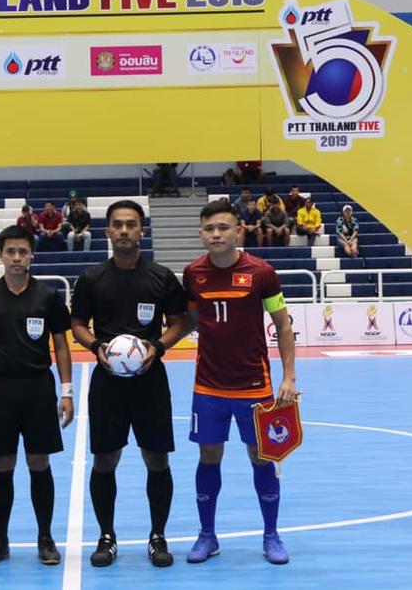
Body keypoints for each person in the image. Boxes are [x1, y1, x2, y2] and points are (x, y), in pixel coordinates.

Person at [70, 199, 189, 568]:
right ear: (107, 231)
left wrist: (157, 346)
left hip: (150, 380)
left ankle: (158, 536)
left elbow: (180, 322)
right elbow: (77, 324)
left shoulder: (161, 277)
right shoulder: (92, 278)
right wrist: (95, 347)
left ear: (142, 230)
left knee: (157, 458)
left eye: (131, 224)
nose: (124, 230)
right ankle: (106, 536)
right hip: (107, 382)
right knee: (105, 459)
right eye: (118, 224)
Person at [181, 200, 298, 566]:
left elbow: (282, 325)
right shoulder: (192, 273)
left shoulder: (262, 273)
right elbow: (189, 323)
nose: (216, 234)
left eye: (223, 228)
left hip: (255, 386)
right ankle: (207, 536)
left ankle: (271, 535)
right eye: (209, 229)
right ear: (201, 233)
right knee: (208, 457)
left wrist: (289, 376)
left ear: (238, 231)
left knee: (261, 458)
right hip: (209, 387)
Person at [0, 225, 74, 567]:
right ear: (0, 255)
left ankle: (45, 538)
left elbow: (60, 344)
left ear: (32, 255)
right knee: (3, 463)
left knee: (39, 462)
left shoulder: (47, 296)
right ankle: (0, 540)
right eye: (10, 252)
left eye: (23, 252)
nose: (16, 258)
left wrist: (67, 391)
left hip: (38, 387)